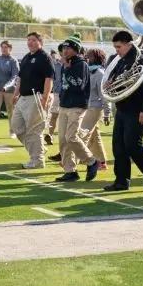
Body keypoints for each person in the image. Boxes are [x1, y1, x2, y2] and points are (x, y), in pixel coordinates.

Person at [103, 31, 143, 192]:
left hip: (137, 110)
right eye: (115, 47)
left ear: (129, 44)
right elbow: (115, 79)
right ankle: (121, 181)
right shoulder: (120, 61)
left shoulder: (142, 60)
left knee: (133, 144)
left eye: (119, 47)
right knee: (119, 146)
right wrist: (110, 83)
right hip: (122, 108)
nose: (117, 50)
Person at [54, 34, 99, 183]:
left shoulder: (81, 64)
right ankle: (70, 171)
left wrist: (68, 69)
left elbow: (78, 84)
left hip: (77, 106)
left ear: (75, 50)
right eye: (63, 48)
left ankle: (91, 161)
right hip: (65, 105)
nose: (64, 51)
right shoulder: (66, 64)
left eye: (67, 48)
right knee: (62, 140)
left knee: (71, 137)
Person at [12, 32, 54, 169]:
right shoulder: (26, 57)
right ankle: (38, 149)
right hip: (23, 97)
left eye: (33, 40)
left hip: (37, 96)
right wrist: (16, 93)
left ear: (40, 42)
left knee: (34, 130)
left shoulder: (44, 57)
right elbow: (20, 77)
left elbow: (49, 78)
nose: (30, 42)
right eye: (28, 40)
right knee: (16, 127)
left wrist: (45, 97)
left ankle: (37, 160)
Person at [81, 48, 111, 170]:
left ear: (96, 58)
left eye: (89, 56)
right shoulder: (86, 71)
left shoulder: (100, 74)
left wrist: (107, 113)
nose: (86, 58)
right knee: (94, 137)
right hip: (86, 107)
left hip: (95, 108)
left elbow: (104, 95)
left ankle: (73, 161)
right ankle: (101, 162)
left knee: (81, 134)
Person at [44, 49, 62, 146]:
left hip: (65, 94)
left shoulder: (63, 65)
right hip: (55, 94)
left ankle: (62, 138)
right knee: (54, 115)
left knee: (62, 117)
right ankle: (50, 135)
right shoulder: (51, 66)